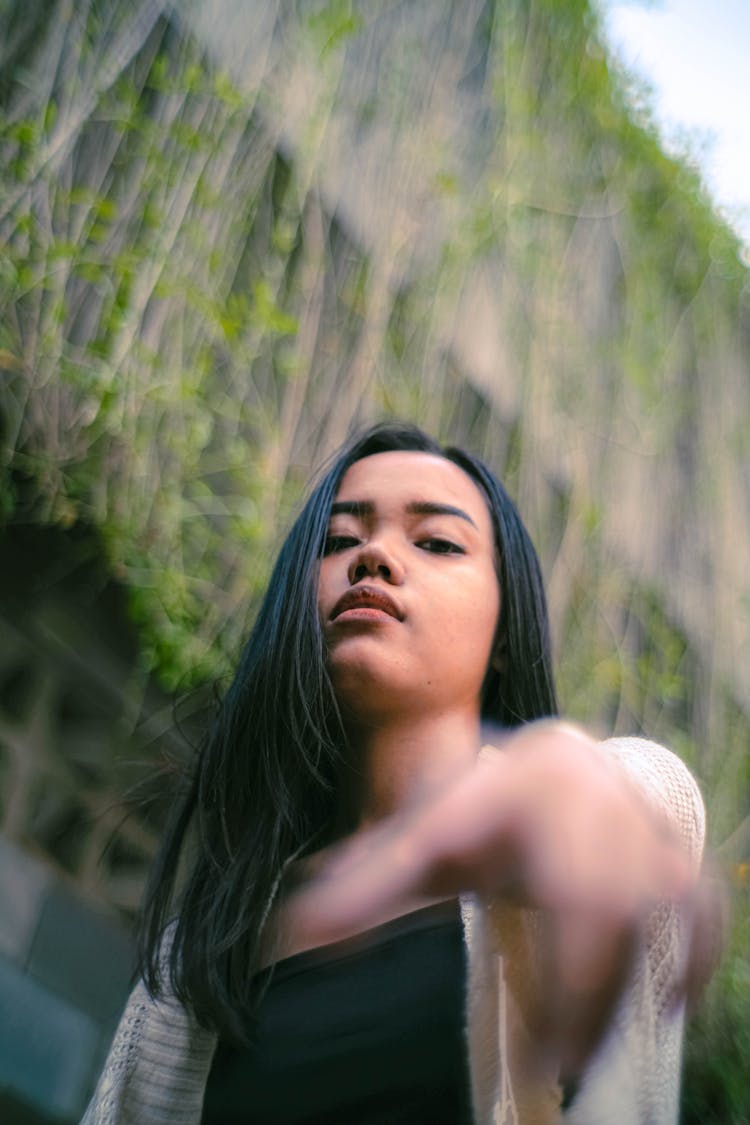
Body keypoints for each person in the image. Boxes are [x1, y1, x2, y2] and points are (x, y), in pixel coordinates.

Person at [82, 422, 711, 1124]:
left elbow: (631, 795)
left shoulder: (581, 814)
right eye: (339, 540)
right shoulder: (193, 962)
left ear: (505, 635)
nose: (374, 555)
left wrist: (572, 783)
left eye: (437, 541)